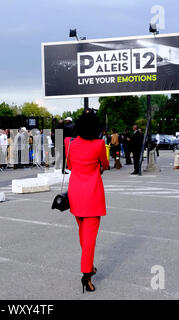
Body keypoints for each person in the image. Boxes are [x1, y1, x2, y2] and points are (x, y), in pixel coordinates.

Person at [64, 112, 109, 293]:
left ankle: (88, 263)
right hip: (92, 195)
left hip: (75, 193)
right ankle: (86, 273)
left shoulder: (70, 143)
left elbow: (70, 166)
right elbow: (105, 165)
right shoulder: (99, 145)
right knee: (90, 237)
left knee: (83, 232)